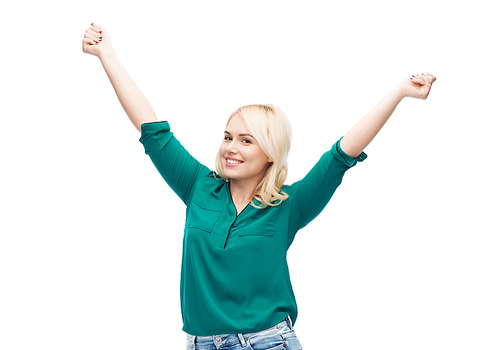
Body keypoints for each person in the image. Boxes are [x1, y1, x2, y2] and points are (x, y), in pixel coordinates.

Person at [82, 23, 436, 350]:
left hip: (268, 343)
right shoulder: (199, 187)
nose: (230, 148)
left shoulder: (288, 206)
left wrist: (399, 92)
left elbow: (341, 154)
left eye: (246, 140)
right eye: (227, 137)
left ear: (270, 153)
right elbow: (153, 130)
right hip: (200, 343)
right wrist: (107, 55)